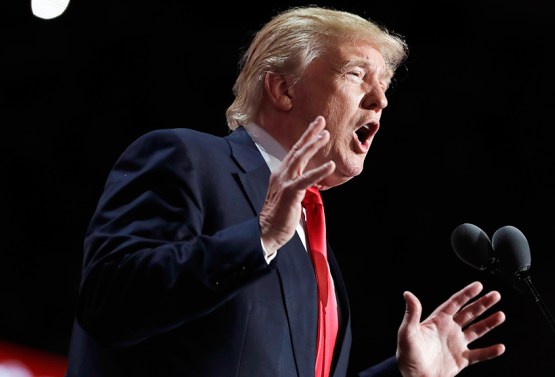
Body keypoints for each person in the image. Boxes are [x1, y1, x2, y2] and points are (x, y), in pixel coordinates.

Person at [64, 5, 506, 377]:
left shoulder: (315, 243)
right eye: (357, 74)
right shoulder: (187, 158)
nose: (380, 101)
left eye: (385, 87)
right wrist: (258, 239)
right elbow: (108, 302)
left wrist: (404, 372)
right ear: (282, 89)